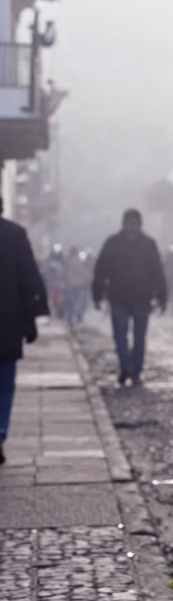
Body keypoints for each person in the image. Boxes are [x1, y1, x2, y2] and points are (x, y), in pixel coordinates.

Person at [0, 197, 50, 465]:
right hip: (8, 320)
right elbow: (29, 275)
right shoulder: (15, 235)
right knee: (5, 383)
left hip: (8, 319)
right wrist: (33, 318)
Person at [93, 209, 167, 386]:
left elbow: (157, 272)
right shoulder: (113, 243)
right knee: (120, 336)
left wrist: (162, 295)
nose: (132, 227)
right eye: (129, 223)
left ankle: (135, 370)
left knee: (139, 337)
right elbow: (101, 270)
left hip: (141, 297)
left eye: (134, 223)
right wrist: (97, 293)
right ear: (124, 224)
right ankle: (127, 365)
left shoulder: (148, 244)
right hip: (119, 297)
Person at [62, 246, 92, 325]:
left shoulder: (69, 260)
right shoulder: (71, 261)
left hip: (75, 284)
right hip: (76, 284)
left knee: (74, 301)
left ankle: (74, 315)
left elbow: (85, 272)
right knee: (75, 301)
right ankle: (75, 315)